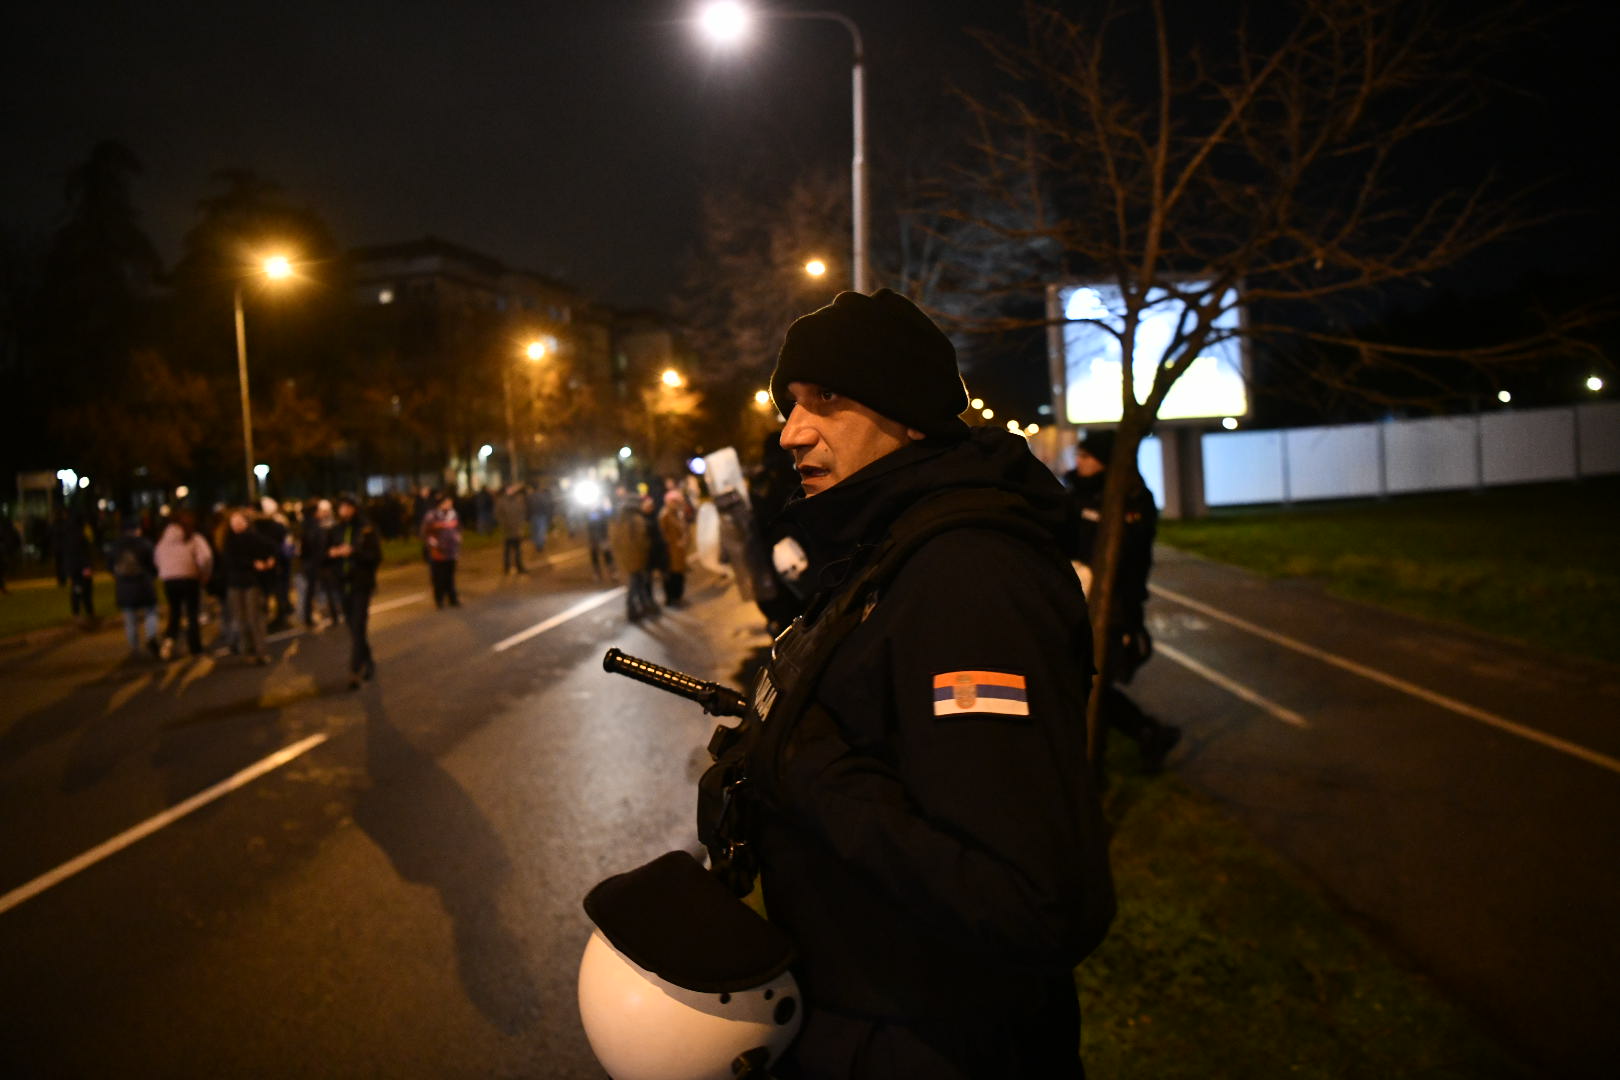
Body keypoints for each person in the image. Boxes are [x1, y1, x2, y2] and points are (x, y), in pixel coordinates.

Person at [701, 289, 1115, 1078]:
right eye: (790, 404)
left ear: (909, 417)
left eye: (827, 399)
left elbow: (1032, 900)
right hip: (867, 1030)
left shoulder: (972, 579)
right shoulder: (888, 549)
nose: (792, 431)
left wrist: (807, 769)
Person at [1064, 429, 1183, 773]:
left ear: (1105, 461)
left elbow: (1132, 556)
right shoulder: (1075, 493)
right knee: (1083, 682)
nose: (1079, 462)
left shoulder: (1128, 498)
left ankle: (1108, 756)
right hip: (1077, 600)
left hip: (1112, 607)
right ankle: (1146, 733)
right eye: (1078, 455)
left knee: (1093, 682)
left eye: (1086, 456)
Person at [328, 494, 382, 689]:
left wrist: (354, 552)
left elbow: (375, 556)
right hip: (342, 585)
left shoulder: (366, 529)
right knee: (352, 627)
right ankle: (368, 660)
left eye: (348, 506)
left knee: (359, 625)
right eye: (341, 506)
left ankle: (355, 669)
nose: (344, 510)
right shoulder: (335, 530)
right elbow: (324, 554)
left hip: (361, 584)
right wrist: (333, 553)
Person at [219, 509, 278, 664]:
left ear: (246, 523)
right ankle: (247, 651)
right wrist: (252, 564)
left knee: (254, 618)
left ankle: (261, 651)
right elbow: (230, 561)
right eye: (233, 522)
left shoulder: (254, 537)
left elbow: (272, 547)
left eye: (239, 522)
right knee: (240, 619)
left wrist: (270, 559)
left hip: (252, 582)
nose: (236, 525)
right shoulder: (228, 541)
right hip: (235, 583)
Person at [154, 509, 213, 658]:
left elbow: (157, 557)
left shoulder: (164, 539)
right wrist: (204, 573)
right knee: (192, 613)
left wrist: (166, 570)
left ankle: (169, 641)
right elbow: (205, 558)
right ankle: (195, 647)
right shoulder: (193, 537)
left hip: (169, 580)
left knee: (175, 612)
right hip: (189, 578)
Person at [109, 519, 161, 660]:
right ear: (137, 529)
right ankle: (151, 636)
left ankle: (134, 647)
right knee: (151, 611)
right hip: (143, 584)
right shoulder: (145, 544)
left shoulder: (116, 546)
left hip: (124, 586)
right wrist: (153, 575)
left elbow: (110, 566)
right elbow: (154, 564)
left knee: (130, 619)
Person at [608, 489, 655, 620]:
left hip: (623, 557)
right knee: (637, 583)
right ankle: (636, 609)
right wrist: (647, 550)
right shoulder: (637, 519)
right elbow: (641, 540)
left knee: (633, 583)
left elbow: (613, 540)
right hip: (637, 557)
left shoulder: (618, 519)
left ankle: (636, 608)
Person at [299, 499, 342, 628]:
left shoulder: (305, 526)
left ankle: (308, 617)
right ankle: (333, 615)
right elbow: (319, 546)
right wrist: (325, 556)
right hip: (319, 563)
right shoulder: (316, 527)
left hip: (309, 563)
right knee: (327, 589)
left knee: (310, 591)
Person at [421, 492, 462, 608]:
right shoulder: (432, 515)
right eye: (448, 502)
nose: (450, 504)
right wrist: (434, 545)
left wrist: (458, 538)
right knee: (439, 577)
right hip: (438, 552)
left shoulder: (453, 514)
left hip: (451, 551)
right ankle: (439, 600)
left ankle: (452, 598)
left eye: (450, 502)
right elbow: (425, 532)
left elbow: (458, 528)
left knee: (450, 576)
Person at [657, 488, 690, 606]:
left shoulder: (677, 514)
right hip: (670, 551)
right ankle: (672, 598)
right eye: (674, 501)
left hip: (678, 550)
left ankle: (678, 596)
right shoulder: (665, 515)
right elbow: (662, 533)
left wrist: (684, 539)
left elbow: (683, 529)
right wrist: (673, 543)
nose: (676, 504)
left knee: (679, 575)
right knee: (672, 576)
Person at [496, 482, 529, 575]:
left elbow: (522, 512)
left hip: (517, 529)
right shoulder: (501, 500)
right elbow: (498, 514)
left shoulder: (518, 499)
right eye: (509, 489)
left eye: (512, 489)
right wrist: (504, 524)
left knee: (518, 549)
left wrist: (521, 524)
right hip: (507, 529)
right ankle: (507, 568)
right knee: (507, 549)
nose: (511, 490)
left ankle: (519, 567)